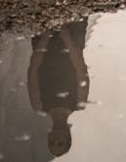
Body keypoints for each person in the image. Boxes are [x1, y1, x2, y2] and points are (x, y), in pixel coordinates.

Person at [27, 18, 90, 158]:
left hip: (44, 47)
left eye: (52, 142)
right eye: (60, 143)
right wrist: (66, 35)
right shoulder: (80, 103)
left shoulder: (38, 105)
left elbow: (33, 70)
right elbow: (80, 67)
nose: (55, 141)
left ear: (49, 136)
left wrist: (46, 37)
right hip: (71, 43)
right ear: (68, 136)